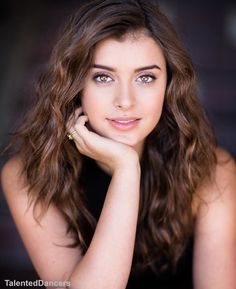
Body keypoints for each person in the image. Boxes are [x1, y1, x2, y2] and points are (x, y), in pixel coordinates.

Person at [1, 0, 236, 288]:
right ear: (75, 86)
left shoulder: (212, 170)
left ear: (170, 85)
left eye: (145, 77)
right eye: (102, 77)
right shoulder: (27, 175)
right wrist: (126, 169)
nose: (125, 101)